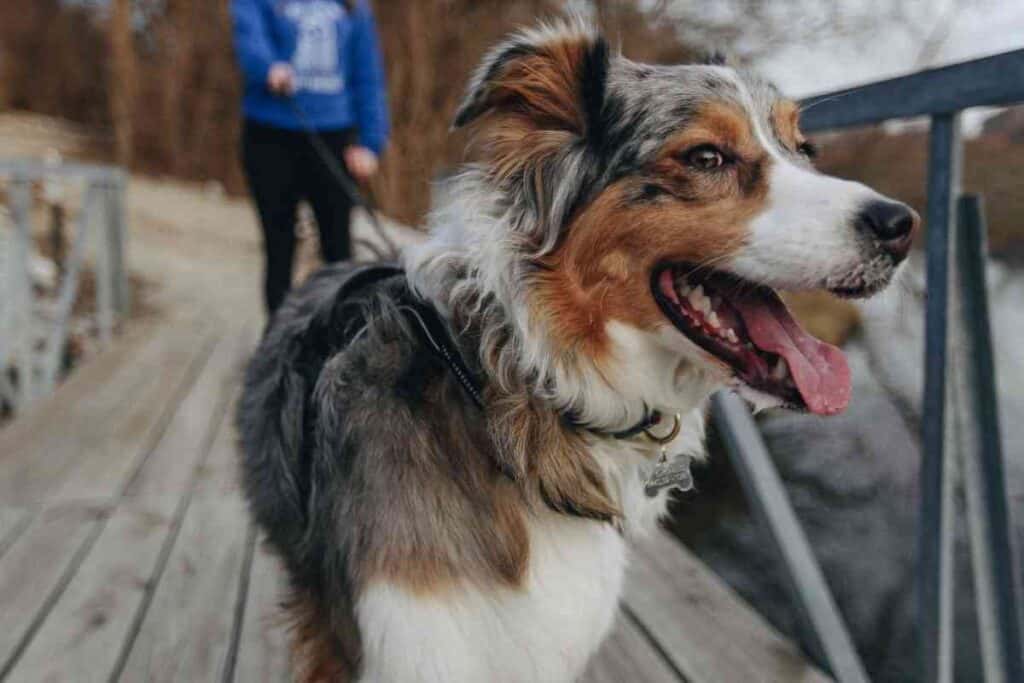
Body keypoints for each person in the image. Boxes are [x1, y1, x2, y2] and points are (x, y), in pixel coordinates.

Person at [231, 0, 389, 315]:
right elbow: (249, 37)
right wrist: (268, 67)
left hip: (333, 139)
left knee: (339, 253)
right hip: (270, 134)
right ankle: (277, 349)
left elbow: (367, 76)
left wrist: (370, 143)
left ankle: (338, 340)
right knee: (279, 247)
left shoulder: (354, 8)